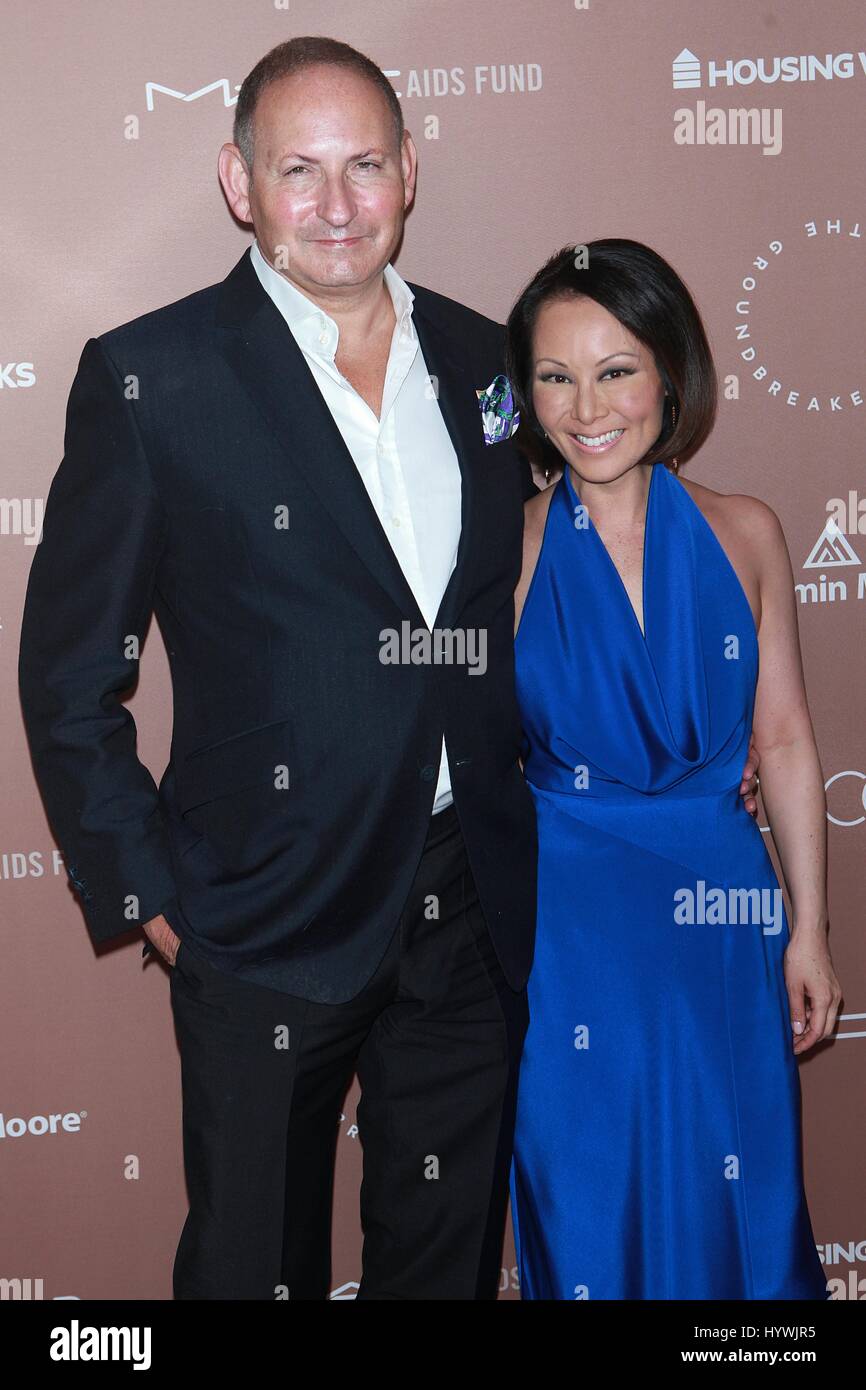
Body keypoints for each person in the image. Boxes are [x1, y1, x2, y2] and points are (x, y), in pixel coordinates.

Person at [17, 35, 759, 1300]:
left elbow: (587, 529)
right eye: (297, 170)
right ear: (237, 182)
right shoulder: (155, 378)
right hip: (259, 909)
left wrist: (682, 753)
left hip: (467, 905)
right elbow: (69, 673)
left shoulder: (486, 365)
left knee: (443, 1264)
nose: (337, 203)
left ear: (410, 171)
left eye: (364, 162)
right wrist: (151, 893)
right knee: (255, 1269)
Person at [505, 239, 841, 1300]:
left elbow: (782, 736)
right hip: (566, 925)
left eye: (613, 369)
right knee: (587, 1195)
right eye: (554, 375)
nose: (584, 405)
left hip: (719, 910)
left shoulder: (747, 534)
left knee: (733, 1194)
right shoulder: (501, 551)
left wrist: (807, 928)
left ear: (669, 373)